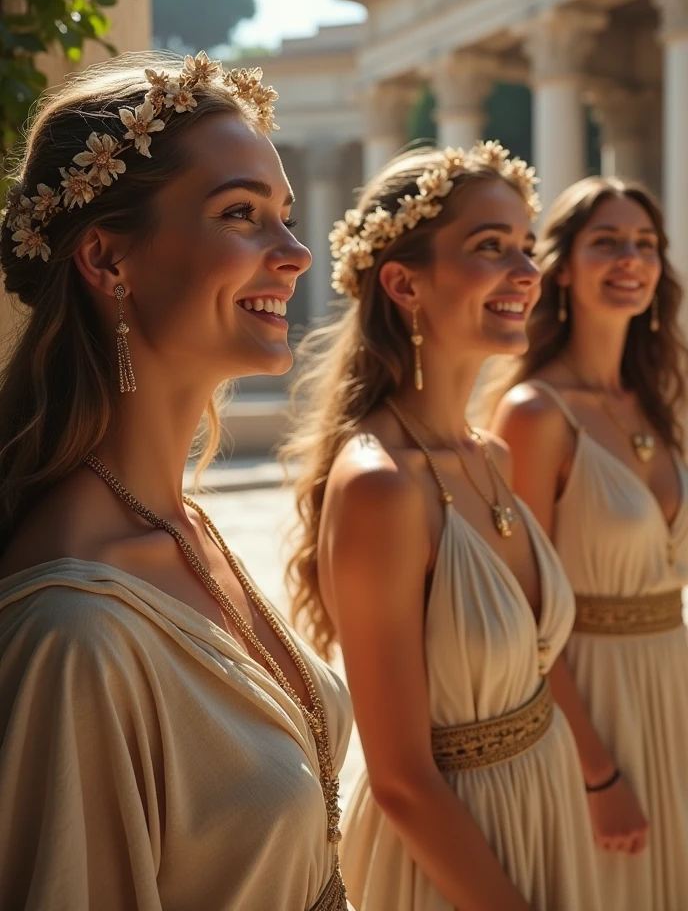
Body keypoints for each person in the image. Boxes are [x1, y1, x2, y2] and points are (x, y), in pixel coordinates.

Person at [0, 52, 352, 911]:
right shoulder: (73, 634)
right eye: (243, 214)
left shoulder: (178, 522)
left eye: (285, 216)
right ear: (106, 260)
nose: (298, 253)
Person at [281, 142, 601, 911]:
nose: (527, 272)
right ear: (403, 283)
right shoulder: (380, 487)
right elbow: (399, 781)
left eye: (526, 247)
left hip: (548, 813)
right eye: (491, 248)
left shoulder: (490, 454)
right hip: (452, 865)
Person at [491, 175, 688, 909]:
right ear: (562, 266)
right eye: (606, 242)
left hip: (672, 683)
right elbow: (525, 615)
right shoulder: (535, 413)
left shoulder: (663, 399)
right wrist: (596, 772)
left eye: (645, 244)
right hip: (594, 704)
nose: (630, 258)